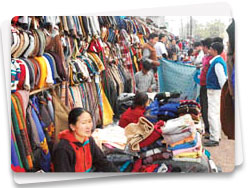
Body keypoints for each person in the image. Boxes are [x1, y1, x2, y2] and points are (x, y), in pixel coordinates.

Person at [52, 108, 118, 172]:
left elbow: (102, 162)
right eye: (83, 123)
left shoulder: (89, 140)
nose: (88, 126)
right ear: (72, 127)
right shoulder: (63, 149)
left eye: (89, 121)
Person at [203, 42, 227, 147]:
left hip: (215, 91)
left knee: (212, 114)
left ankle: (214, 138)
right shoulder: (217, 61)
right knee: (215, 113)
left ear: (215, 51)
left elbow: (222, 80)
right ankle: (215, 134)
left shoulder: (217, 63)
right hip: (214, 91)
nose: (209, 50)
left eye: (211, 49)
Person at [199, 38, 213, 137]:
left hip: (207, 86)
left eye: (203, 47)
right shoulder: (205, 58)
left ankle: (209, 129)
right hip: (203, 85)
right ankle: (207, 128)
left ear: (206, 47)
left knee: (207, 108)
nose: (202, 49)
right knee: (203, 107)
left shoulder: (212, 59)